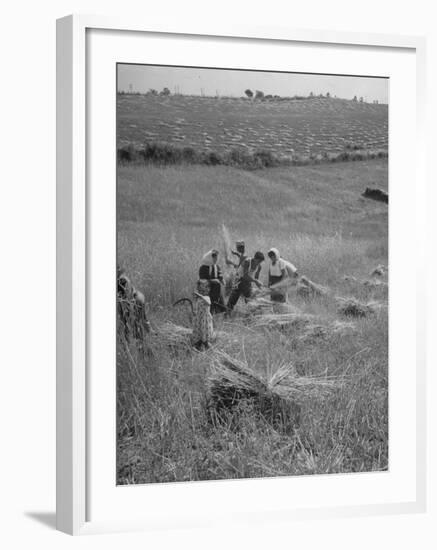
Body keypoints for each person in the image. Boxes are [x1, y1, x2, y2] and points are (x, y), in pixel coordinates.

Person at [198, 249, 226, 314]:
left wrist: (222, 280)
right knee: (210, 304)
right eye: (215, 258)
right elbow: (202, 280)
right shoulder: (203, 268)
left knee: (220, 304)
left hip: (216, 289)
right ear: (210, 258)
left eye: (216, 258)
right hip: (207, 290)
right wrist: (212, 281)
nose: (216, 259)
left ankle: (219, 315)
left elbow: (219, 274)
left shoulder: (216, 266)